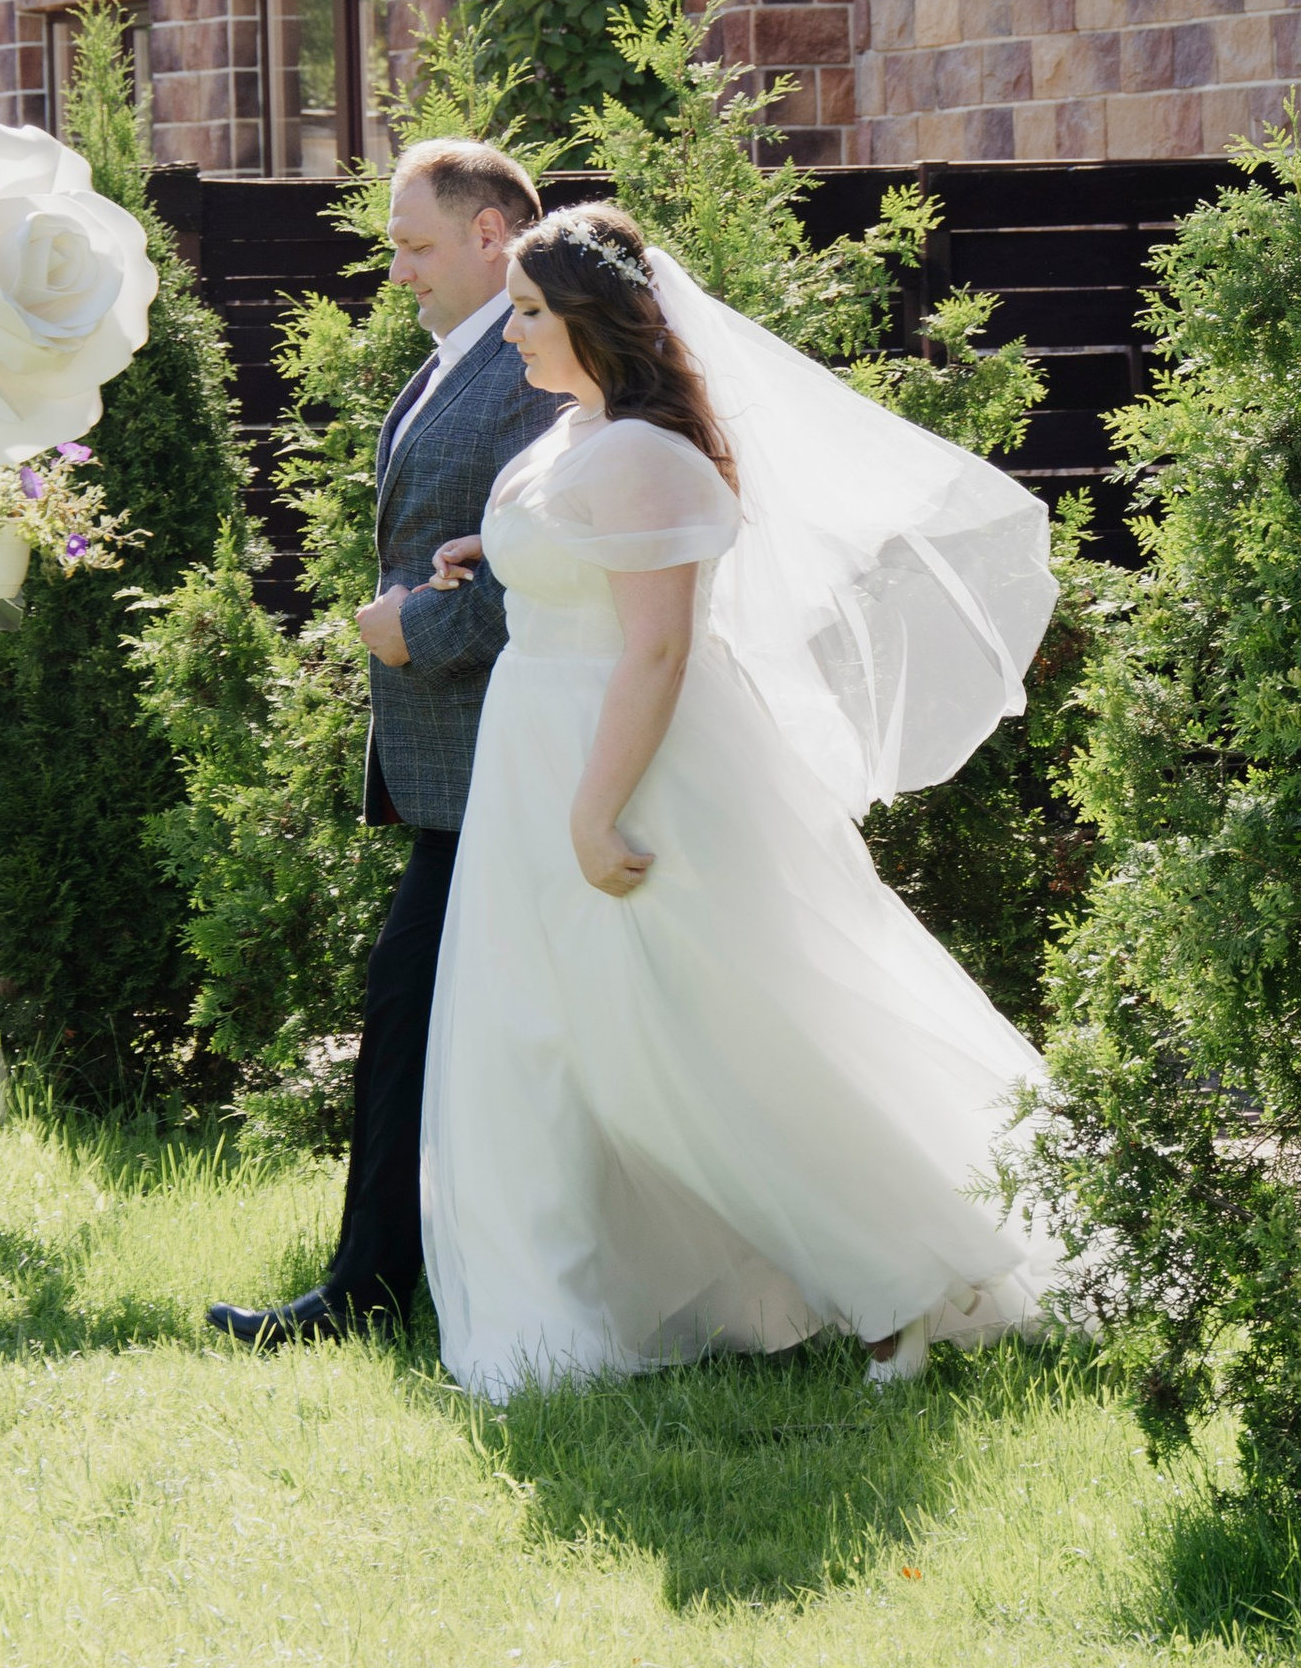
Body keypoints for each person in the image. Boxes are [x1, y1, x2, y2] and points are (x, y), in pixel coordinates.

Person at [417, 203, 1072, 1402]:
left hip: (618, 763)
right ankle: (559, 1329)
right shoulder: (586, 436)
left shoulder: (646, 453)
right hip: (539, 750)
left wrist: (592, 810)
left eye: (526, 311)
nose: (507, 333)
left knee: (684, 1050)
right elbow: (581, 554)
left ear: (593, 318)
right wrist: (496, 546)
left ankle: (893, 1282)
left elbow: (655, 651)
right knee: (554, 1042)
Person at [206, 136, 559, 1349]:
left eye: (413, 245)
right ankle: (405, 1276)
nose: (394, 269)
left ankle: (367, 1290)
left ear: (490, 235)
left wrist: (422, 628)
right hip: (460, 764)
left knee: (409, 1010)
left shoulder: (534, 368)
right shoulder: (455, 360)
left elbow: (570, 568)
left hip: (506, 752)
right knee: (441, 1019)